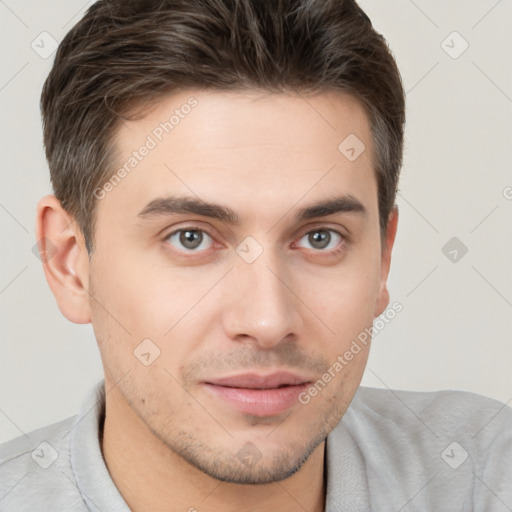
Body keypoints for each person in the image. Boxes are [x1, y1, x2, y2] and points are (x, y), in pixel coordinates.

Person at [1, 0, 510, 510]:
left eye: (320, 238)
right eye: (191, 238)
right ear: (69, 262)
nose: (268, 321)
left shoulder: (484, 476)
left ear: (383, 258)